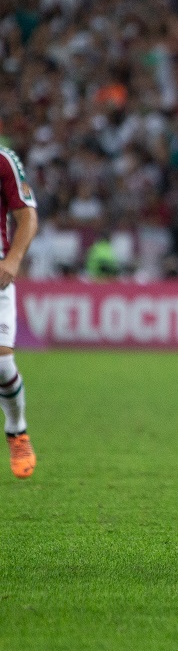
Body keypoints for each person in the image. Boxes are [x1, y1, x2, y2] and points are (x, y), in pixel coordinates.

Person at [0, 145, 39, 479]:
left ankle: (16, 430)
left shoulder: (4, 160)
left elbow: (27, 215)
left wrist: (12, 260)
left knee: (2, 363)